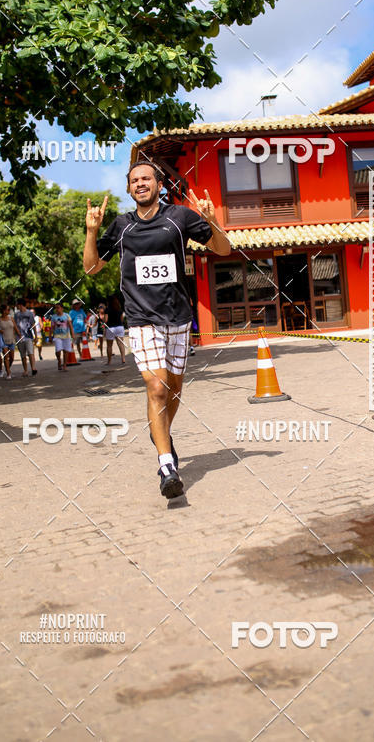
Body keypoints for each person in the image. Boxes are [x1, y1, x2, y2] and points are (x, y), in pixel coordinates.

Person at [83, 162, 231, 500]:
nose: (140, 184)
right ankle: (167, 466)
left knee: (174, 389)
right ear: (128, 189)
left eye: (146, 178)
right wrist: (92, 232)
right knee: (157, 387)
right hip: (140, 319)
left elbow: (223, 249)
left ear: (158, 184)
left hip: (178, 318)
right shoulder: (121, 226)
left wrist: (211, 221)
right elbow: (91, 267)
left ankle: (160, 431)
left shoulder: (179, 218)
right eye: (134, 181)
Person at [14, 299, 38, 376]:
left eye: (17, 304)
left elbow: (33, 325)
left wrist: (36, 336)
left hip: (28, 336)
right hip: (19, 337)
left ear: (20, 305)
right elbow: (15, 326)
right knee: (23, 354)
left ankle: (33, 368)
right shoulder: (16, 314)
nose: (16, 306)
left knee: (31, 352)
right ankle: (25, 370)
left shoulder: (29, 313)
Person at [0, 304, 20, 379]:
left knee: (12, 358)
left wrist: (20, 335)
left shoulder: (11, 318)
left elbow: (15, 327)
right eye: (8, 309)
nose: (9, 311)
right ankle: (9, 373)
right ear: (3, 311)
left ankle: (7, 369)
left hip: (11, 340)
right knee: (6, 357)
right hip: (3, 341)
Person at [50, 302, 75, 371]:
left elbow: (70, 326)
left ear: (62, 308)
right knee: (58, 350)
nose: (57, 309)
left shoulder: (66, 316)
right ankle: (59, 361)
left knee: (65, 351)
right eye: (56, 308)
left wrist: (73, 334)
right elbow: (52, 327)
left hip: (66, 336)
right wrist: (50, 336)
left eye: (58, 308)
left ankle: (64, 365)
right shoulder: (54, 317)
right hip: (57, 336)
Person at [105, 294, 126, 366]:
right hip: (119, 327)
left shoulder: (107, 309)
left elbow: (106, 320)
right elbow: (122, 319)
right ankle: (123, 359)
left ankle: (109, 361)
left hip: (110, 328)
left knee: (109, 346)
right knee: (121, 344)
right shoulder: (119, 309)